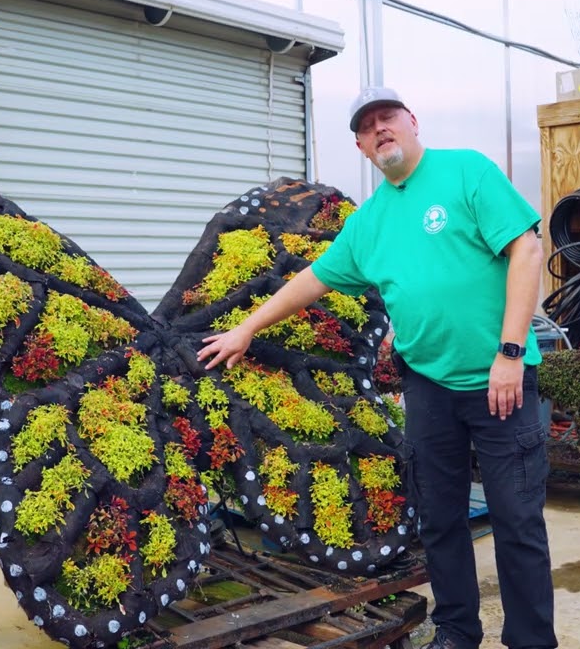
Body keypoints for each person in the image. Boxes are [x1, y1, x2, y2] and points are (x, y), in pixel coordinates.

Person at [197, 87, 556, 649]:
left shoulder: (467, 173)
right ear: (362, 146)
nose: (380, 128)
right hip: (429, 386)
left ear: (411, 121)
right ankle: (458, 633)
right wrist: (246, 327)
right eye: (367, 126)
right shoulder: (371, 222)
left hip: (499, 380)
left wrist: (510, 353)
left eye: (388, 117)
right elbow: (312, 280)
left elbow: (527, 250)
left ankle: (531, 641)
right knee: (439, 521)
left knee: (517, 521)